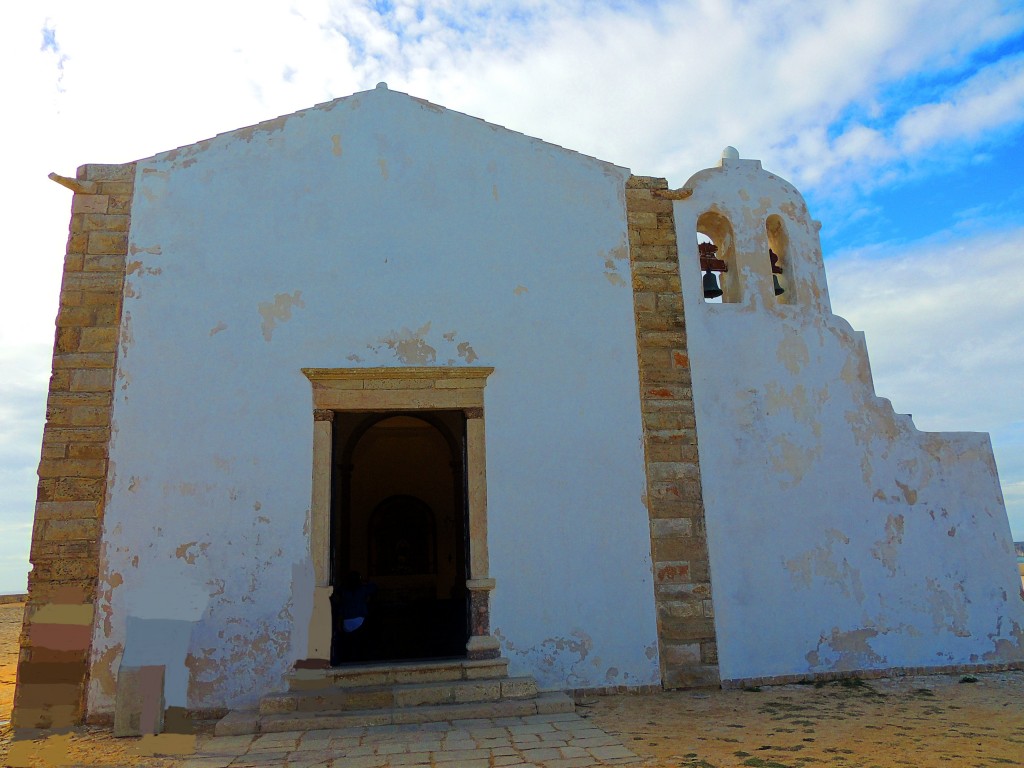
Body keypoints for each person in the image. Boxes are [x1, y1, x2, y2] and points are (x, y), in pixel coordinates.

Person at [337, 571, 376, 661]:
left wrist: (339, 622)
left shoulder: (344, 591)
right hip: (360, 619)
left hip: (346, 621)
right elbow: (374, 587)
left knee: (349, 645)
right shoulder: (362, 589)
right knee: (360, 644)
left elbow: (340, 604)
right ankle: (360, 658)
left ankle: (349, 658)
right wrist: (366, 581)